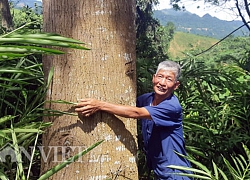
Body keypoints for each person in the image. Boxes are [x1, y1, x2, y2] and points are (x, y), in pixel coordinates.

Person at [75, 60, 192, 179]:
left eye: (169, 79)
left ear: (176, 85)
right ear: (153, 78)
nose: (162, 82)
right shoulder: (147, 99)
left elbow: (136, 112)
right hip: (160, 171)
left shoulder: (172, 107)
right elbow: (125, 106)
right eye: (160, 77)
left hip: (177, 173)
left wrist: (99, 105)